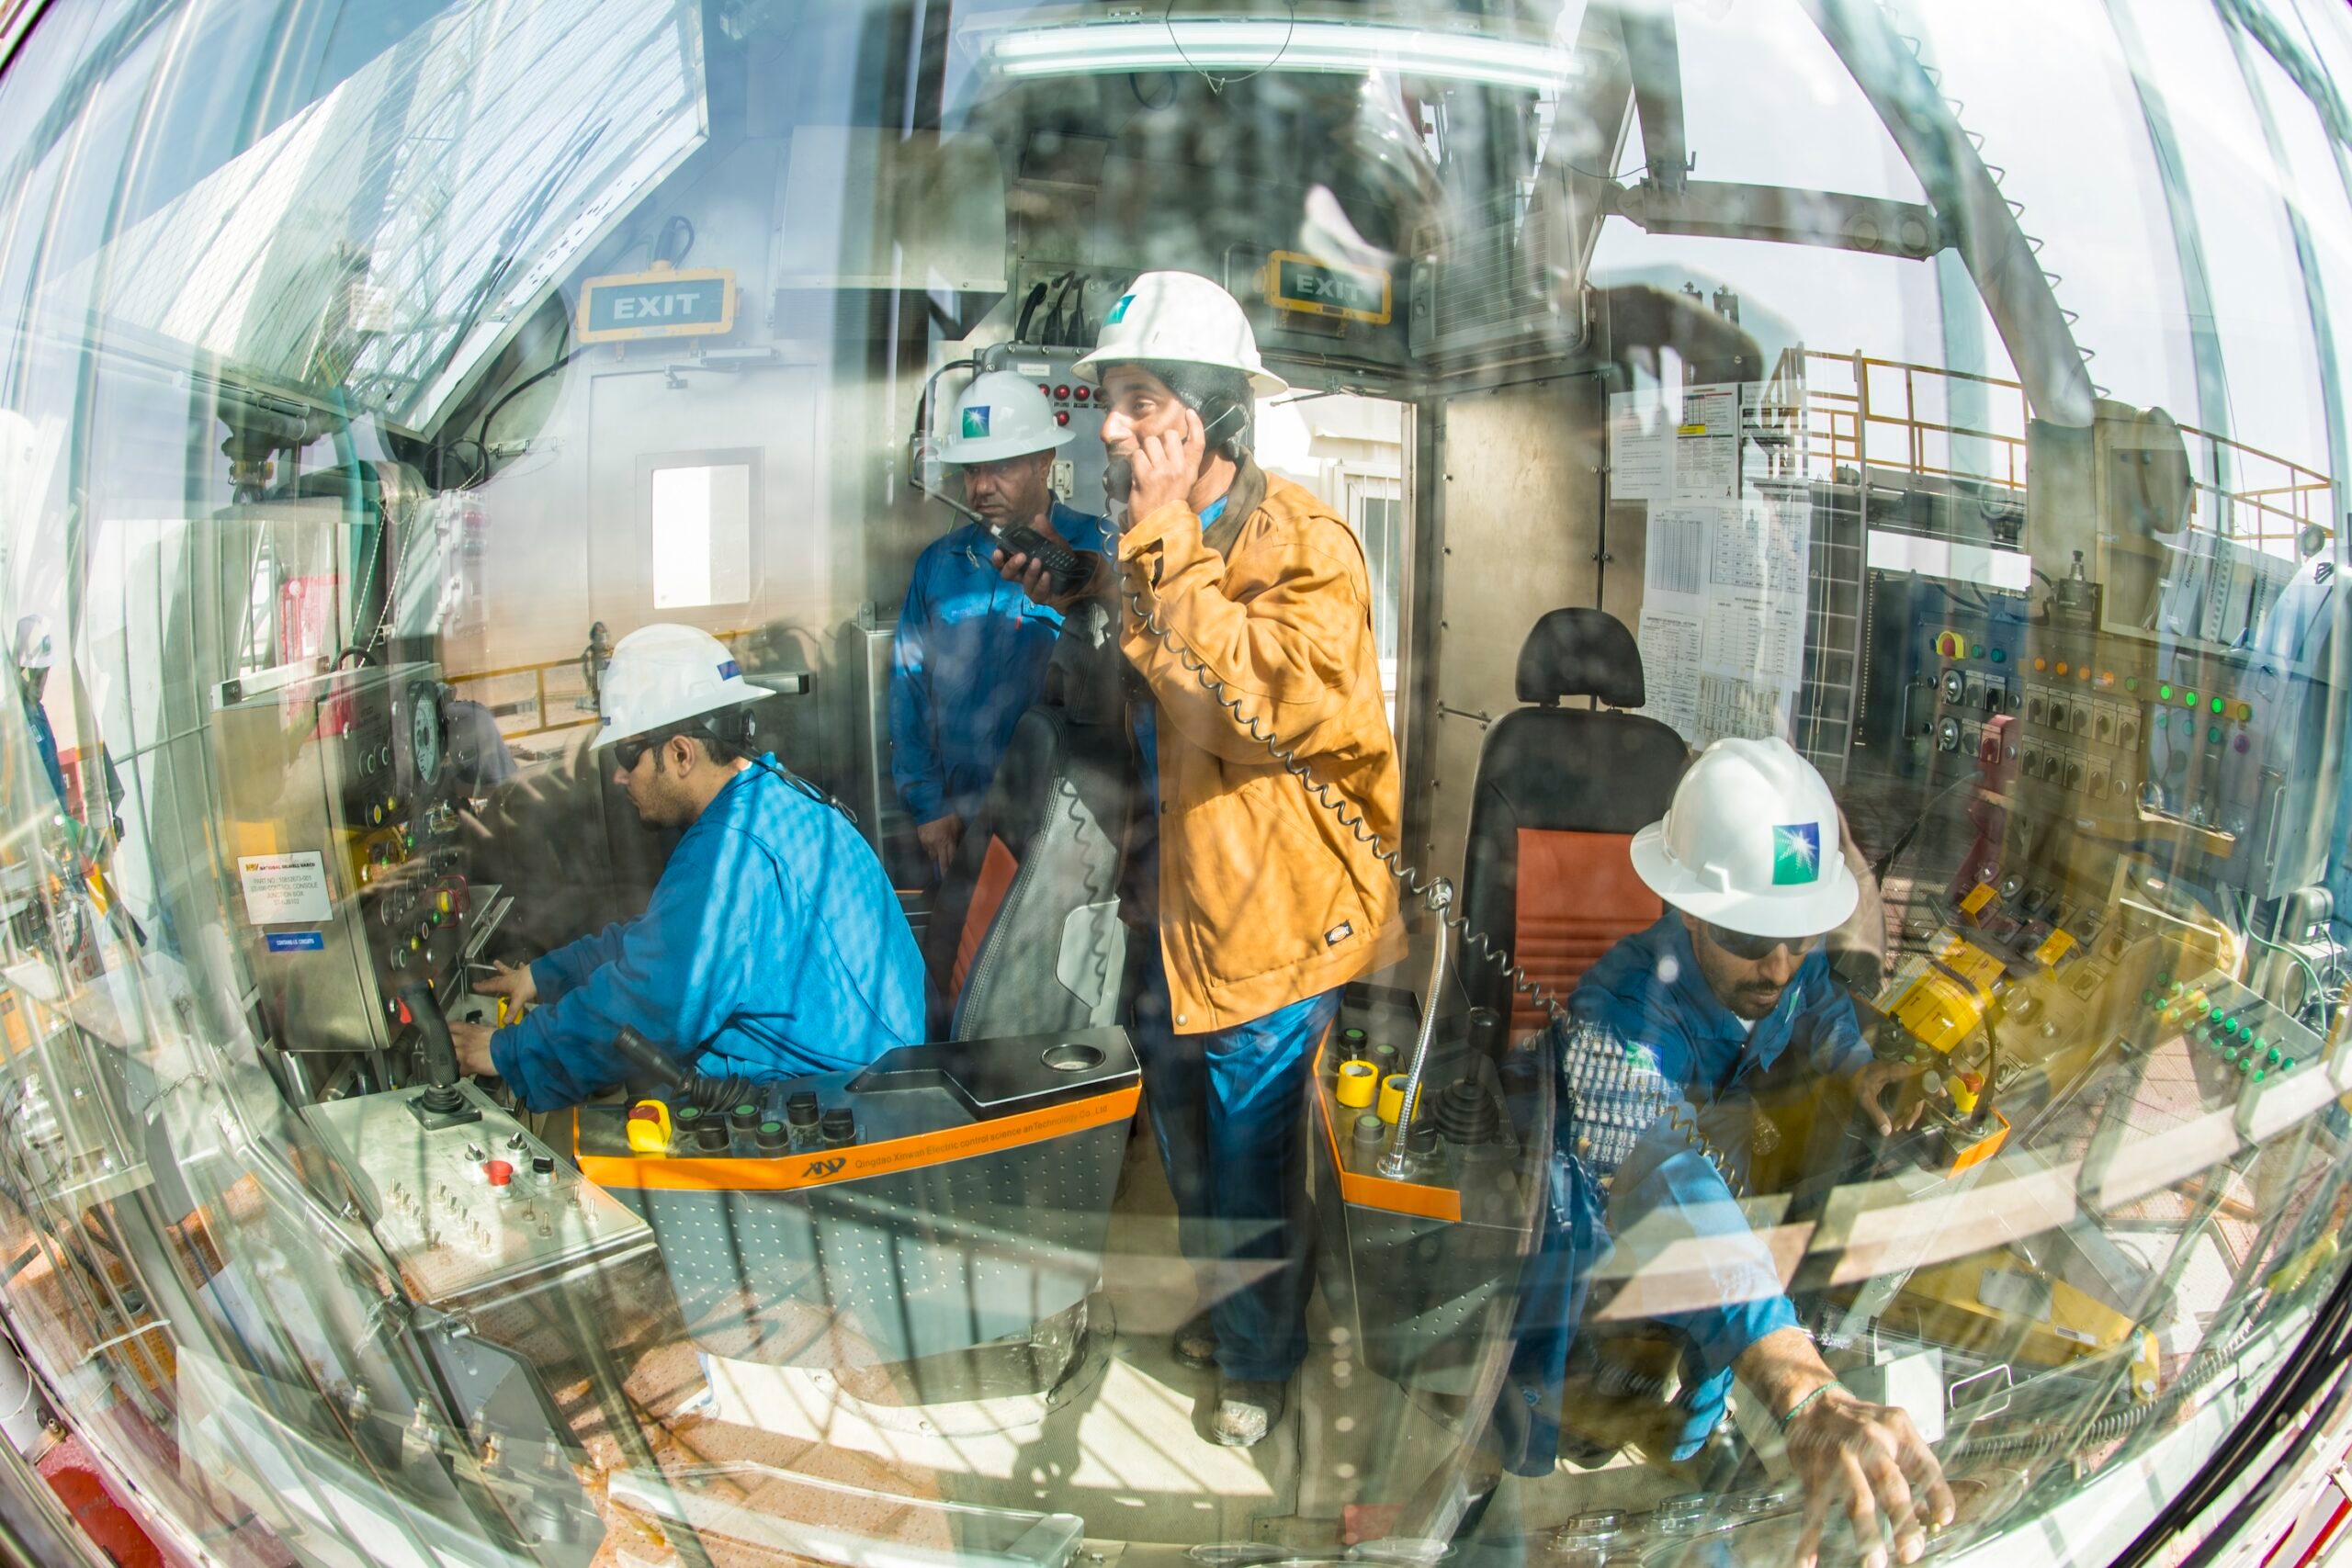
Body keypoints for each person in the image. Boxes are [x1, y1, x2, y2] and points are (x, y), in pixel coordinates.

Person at [1001, 271, 1406, 1447]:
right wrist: (1086, 585)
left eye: (1138, 403)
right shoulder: (1150, 542)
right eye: (1112, 403)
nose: (1114, 430)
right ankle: (1242, 1321)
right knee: (1186, 1145)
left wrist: (1155, 545)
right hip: (1170, 911)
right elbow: (1151, 673)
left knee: (1252, 1165)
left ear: (1214, 414)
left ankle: (1261, 1366)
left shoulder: (1309, 551)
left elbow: (1238, 707)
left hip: (1269, 927)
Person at [1501, 738, 1951, 1568]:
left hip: (1724, 1236)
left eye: (1801, 934)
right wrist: (1795, 1378)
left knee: (1693, 1426)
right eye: (1750, 936)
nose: (1779, 966)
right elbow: (1661, 1179)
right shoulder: (1618, 1011)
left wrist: (1857, 1070)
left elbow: (1817, 1007)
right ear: (1690, 911)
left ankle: (1691, 1432)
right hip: (1610, 1250)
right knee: (1565, 1449)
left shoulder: (1788, 964)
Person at [450, 624, 925, 1111]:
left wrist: (503, 1051)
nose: (617, 775)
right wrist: (548, 974)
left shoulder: (728, 857)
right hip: (859, 1072)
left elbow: (646, 1007)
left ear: (681, 753)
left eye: (626, 754)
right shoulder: (771, 797)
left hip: (841, 1105)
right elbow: (666, 942)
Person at [891, 370, 1105, 877]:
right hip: (963, 818)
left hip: (1070, 819)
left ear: (1044, 462)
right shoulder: (939, 564)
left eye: (1002, 467)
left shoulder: (1095, 556)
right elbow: (909, 689)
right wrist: (929, 806)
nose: (981, 487)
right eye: (970, 470)